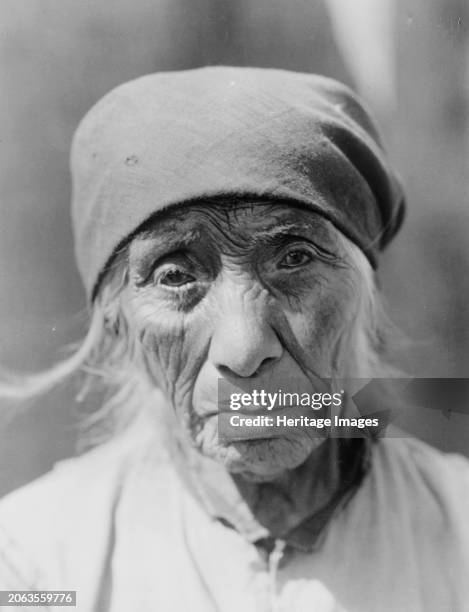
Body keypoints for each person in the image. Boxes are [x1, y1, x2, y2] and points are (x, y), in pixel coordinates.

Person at [0, 66, 468, 612]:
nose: (244, 351)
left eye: (295, 259)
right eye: (175, 275)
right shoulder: (35, 563)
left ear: (364, 298)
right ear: (117, 324)